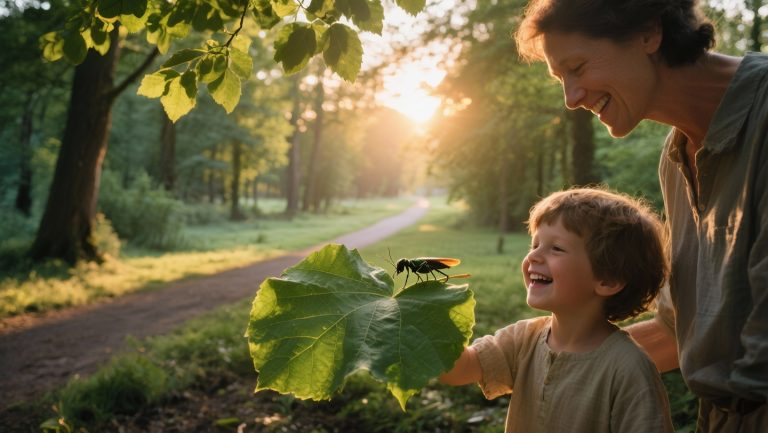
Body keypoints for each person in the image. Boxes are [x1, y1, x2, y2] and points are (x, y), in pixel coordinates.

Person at [513, 0, 768, 431]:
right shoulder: (675, 160)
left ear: (648, 34)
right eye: (561, 79)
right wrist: (534, 358)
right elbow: (677, 331)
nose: (571, 99)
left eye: (577, 67)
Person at [440, 187, 674, 433]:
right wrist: (427, 318)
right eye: (535, 244)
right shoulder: (522, 339)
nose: (533, 256)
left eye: (556, 248)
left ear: (607, 280)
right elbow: (457, 371)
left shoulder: (629, 369)